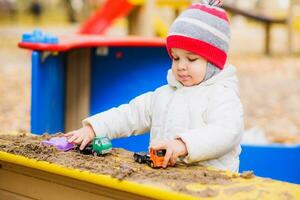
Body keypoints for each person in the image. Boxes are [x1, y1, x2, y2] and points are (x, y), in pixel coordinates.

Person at [64, 0, 244, 172]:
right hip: (167, 180)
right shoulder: (163, 95)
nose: (181, 65)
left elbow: (226, 133)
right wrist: (95, 128)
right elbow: (130, 114)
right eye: (176, 57)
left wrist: (183, 145)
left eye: (191, 59)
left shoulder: (222, 96)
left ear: (214, 63)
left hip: (213, 184)